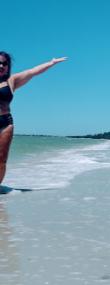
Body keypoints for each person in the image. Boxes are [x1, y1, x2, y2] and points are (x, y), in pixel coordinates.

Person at [0, 52, 68, 186]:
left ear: (8, 67)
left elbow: (32, 72)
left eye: (4, 63)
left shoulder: (11, 81)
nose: (1, 65)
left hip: (5, 123)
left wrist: (51, 63)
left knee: (1, 159)